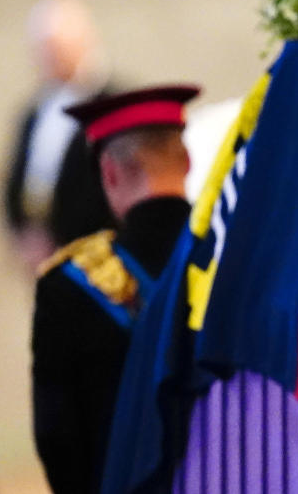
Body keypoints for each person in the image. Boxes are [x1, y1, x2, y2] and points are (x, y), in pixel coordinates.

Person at [32, 85, 199, 494]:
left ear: (108, 172)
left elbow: (59, 442)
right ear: (188, 161)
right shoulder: (236, 257)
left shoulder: (66, 288)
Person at [4, 0, 114, 272]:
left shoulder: (112, 103)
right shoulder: (33, 112)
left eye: (56, 47)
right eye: (43, 49)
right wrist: (25, 233)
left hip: (98, 255)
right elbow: (17, 178)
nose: (49, 57)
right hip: (42, 257)